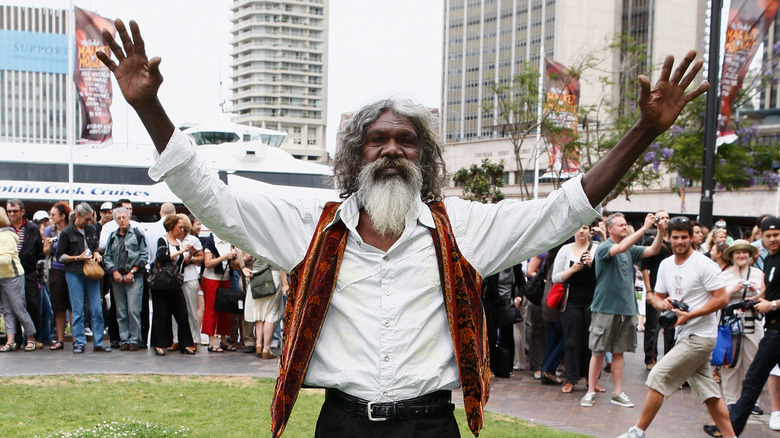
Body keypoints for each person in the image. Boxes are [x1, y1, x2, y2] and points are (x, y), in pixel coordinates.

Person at [98, 19, 708, 437]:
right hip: (340, 425)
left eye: (406, 141)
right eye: (377, 140)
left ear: (425, 157)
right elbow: (210, 196)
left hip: (431, 426)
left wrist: (645, 132)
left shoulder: (462, 227)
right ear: (355, 156)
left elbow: (566, 207)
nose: (391, 150)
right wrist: (150, 106)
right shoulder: (312, 229)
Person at [617, 216, 735, 438]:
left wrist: (690, 315)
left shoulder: (704, 264)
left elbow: (721, 299)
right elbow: (658, 298)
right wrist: (664, 304)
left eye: (684, 237)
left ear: (692, 238)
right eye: (675, 237)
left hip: (701, 336)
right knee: (710, 394)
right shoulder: (665, 265)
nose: (679, 241)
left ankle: (638, 432)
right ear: (668, 238)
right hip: (683, 334)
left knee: (659, 375)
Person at [703, 216, 780, 437]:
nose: (773, 239)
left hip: (765, 329)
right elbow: (769, 291)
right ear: (762, 238)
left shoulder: (765, 267)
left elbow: (771, 298)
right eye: (769, 236)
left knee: (753, 376)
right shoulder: (770, 261)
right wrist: (759, 299)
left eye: (776, 235)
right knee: (747, 377)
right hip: (752, 329)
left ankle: (730, 427)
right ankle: (730, 427)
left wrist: (770, 304)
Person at [581, 212, 665, 409]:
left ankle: (617, 393)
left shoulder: (631, 249)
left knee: (619, 352)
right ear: (609, 229)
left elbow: (653, 250)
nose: (624, 227)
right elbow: (620, 247)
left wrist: (661, 231)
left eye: (625, 224)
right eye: (620, 225)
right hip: (604, 308)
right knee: (598, 351)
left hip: (627, 309)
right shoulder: (603, 247)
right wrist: (644, 228)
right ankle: (590, 391)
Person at [54, 202, 108, 354]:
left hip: (92, 270)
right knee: (77, 309)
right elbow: (60, 256)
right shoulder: (66, 233)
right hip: (74, 272)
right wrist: (77, 258)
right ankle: (79, 341)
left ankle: (98, 342)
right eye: (86, 219)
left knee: (97, 308)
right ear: (77, 216)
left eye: (90, 219)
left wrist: (97, 253)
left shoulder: (91, 229)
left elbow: (95, 247)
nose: (89, 222)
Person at [718, 240, 765, 412]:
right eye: (737, 253)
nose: (742, 255)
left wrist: (755, 292)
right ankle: (731, 400)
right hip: (731, 322)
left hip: (753, 320)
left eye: (745, 252)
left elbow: (765, 296)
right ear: (732, 256)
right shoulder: (724, 275)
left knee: (753, 362)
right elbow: (719, 299)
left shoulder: (759, 274)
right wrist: (731, 289)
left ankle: (752, 401)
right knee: (730, 362)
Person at [553, 224, 598, 393]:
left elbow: (603, 275)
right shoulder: (565, 250)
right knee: (571, 341)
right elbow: (556, 277)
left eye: (585, 227)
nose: (581, 231)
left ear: (589, 231)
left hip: (592, 302)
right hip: (570, 301)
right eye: (578, 227)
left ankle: (591, 380)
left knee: (591, 341)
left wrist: (592, 264)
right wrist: (572, 269)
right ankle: (570, 379)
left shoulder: (597, 249)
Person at [149, 214, 196, 356]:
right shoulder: (162, 240)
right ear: (171, 227)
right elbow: (161, 257)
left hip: (174, 283)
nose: (182, 230)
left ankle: (186, 343)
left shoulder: (178, 242)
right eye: (179, 227)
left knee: (182, 313)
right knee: (161, 314)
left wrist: (189, 254)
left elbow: (180, 265)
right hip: (162, 283)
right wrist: (180, 252)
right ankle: (159, 344)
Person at [103, 207, 149, 351]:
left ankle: (135, 339)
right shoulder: (112, 236)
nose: (121, 220)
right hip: (117, 277)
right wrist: (114, 271)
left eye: (124, 217)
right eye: (118, 218)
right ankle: (124, 339)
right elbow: (107, 256)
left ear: (129, 218)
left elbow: (144, 254)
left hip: (135, 276)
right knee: (121, 310)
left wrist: (133, 271)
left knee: (134, 310)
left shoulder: (137, 234)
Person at [6, 199, 43, 346]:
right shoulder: (4, 228)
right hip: (9, 273)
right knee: (13, 306)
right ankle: (15, 339)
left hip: (28, 272)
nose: (12, 214)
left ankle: (35, 338)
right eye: (9, 211)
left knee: (32, 304)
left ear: (22, 211)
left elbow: (39, 252)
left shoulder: (32, 228)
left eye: (15, 211)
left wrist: (38, 273)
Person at [0, 207, 37, 352]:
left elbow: (6, 259)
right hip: (3, 277)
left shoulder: (7, 236)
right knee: (7, 311)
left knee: (19, 309)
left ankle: (31, 338)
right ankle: (11, 341)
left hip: (13, 276)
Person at [639, 210, 671, 370]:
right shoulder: (650, 241)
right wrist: (649, 291)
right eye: (661, 218)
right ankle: (650, 359)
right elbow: (645, 267)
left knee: (671, 325)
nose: (664, 220)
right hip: (656, 287)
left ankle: (670, 359)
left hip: (671, 289)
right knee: (653, 325)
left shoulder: (673, 241)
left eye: (667, 217)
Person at [43, 202, 71, 351]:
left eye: (53, 215)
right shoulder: (50, 230)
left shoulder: (71, 229)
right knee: (58, 306)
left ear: (62, 216)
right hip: (56, 270)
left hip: (72, 269)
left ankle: (75, 338)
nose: (51, 217)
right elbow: (46, 252)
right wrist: (47, 244)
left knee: (73, 306)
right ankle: (60, 339)